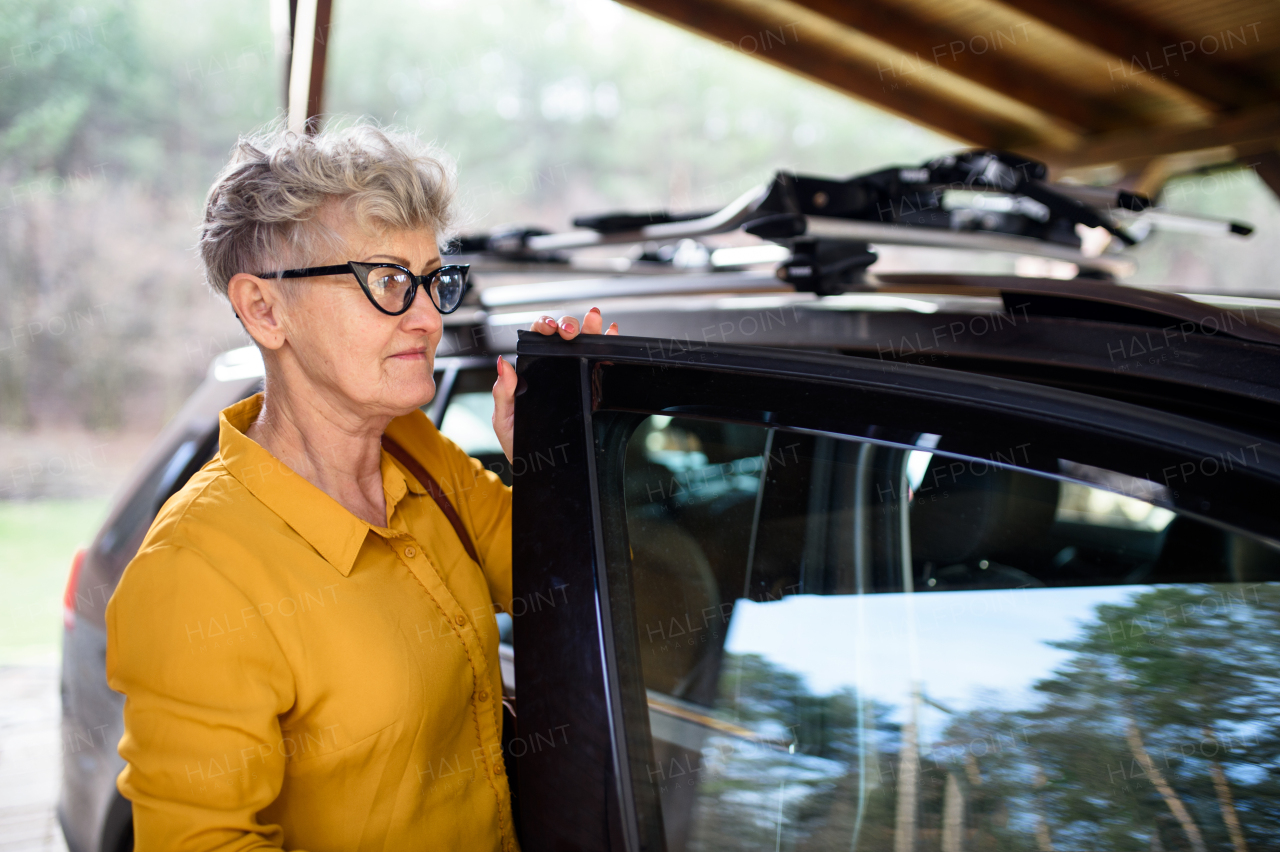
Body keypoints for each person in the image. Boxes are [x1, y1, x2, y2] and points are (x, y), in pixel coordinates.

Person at [105, 124, 616, 851]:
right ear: (264, 309)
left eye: (432, 278)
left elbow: (569, 588)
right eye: (385, 282)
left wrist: (558, 455)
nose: (430, 317)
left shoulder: (419, 458)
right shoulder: (195, 574)